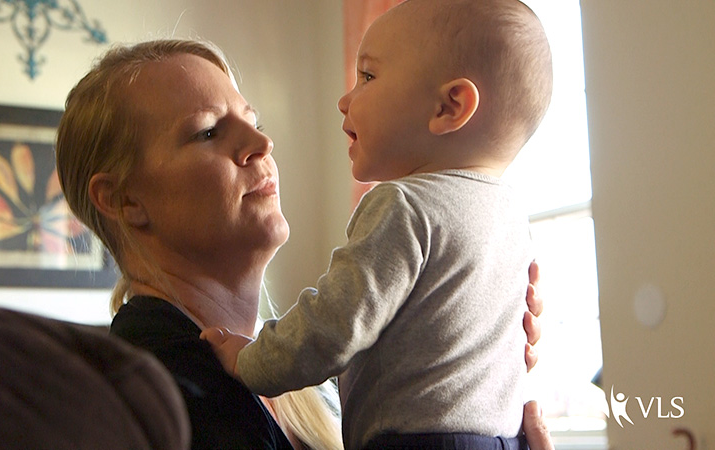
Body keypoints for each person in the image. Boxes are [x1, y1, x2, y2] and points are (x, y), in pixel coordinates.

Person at [55, 37, 551, 449]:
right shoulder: (148, 390)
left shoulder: (313, 379)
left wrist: (463, 363)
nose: (261, 144)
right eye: (208, 132)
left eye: (255, 122)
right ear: (124, 200)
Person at [201, 0, 553, 449]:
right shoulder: (511, 219)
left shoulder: (403, 204)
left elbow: (333, 325)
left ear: (450, 106)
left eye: (367, 76)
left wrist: (250, 360)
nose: (344, 99)